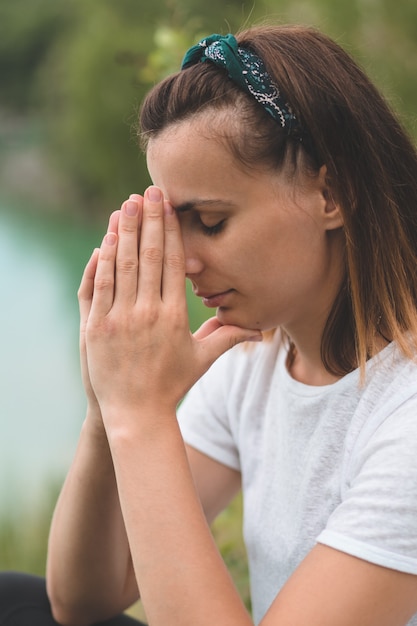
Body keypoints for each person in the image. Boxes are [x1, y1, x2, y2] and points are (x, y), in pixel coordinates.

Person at [2, 23, 417, 626]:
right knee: (15, 599)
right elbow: (81, 599)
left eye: (212, 221)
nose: (186, 261)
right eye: (177, 225)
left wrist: (144, 416)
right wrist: (108, 409)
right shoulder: (257, 360)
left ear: (334, 194)